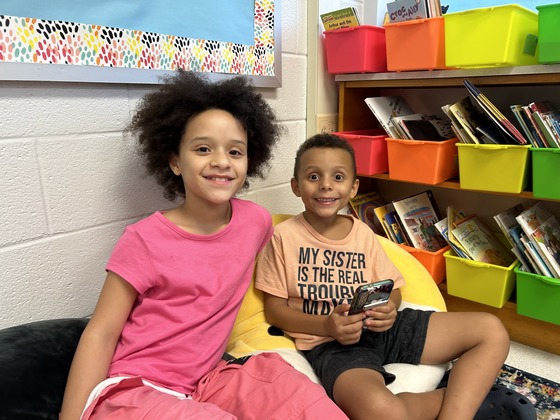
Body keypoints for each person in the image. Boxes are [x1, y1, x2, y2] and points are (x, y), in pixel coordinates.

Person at [60, 72, 347, 420]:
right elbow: (101, 333)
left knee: (304, 399)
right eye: (202, 149)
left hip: (209, 380)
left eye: (235, 151)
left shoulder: (255, 221)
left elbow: (300, 250)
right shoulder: (143, 240)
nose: (221, 161)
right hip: (138, 390)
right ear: (175, 161)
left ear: (249, 161)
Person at [255, 133, 511, 420]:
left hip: (384, 329)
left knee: (491, 330)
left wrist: (389, 307)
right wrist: (327, 326)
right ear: (295, 186)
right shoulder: (282, 237)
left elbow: (393, 289)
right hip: (333, 345)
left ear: (353, 188)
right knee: (383, 412)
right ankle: (462, 395)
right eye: (313, 176)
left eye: (338, 177)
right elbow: (275, 311)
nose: (326, 185)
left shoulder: (362, 233)